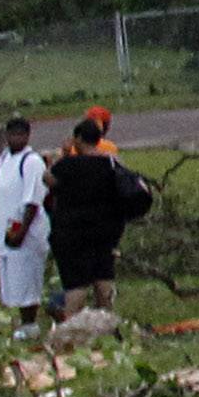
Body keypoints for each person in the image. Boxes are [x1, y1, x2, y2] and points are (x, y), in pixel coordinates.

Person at [43, 115, 139, 316]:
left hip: (73, 232)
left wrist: (63, 154)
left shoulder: (69, 165)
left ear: (78, 138)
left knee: (76, 285)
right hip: (105, 231)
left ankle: (71, 327)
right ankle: (108, 322)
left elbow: (48, 179)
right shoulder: (110, 164)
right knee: (103, 277)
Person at [0, 114, 53, 332]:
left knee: (26, 282)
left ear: (27, 136)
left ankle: (30, 324)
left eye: (21, 134)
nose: (16, 138)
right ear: (6, 136)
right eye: (12, 134)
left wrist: (21, 231)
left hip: (25, 231)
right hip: (6, 229)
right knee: (11, 283)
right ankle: (19, 326)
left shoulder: (31, 161)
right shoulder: (5, 158)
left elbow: (32, 201)